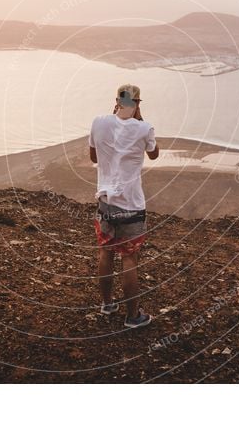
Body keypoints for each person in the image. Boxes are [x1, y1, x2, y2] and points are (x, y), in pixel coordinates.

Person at [88, 83, 159, 328]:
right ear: (137, 103)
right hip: (132, 205)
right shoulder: (144, 128)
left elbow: (94, 157)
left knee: (105, 253)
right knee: (129, 259)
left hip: (106, 203)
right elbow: (154, 154)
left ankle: (107, 304)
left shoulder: (98, 122)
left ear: (117, 100)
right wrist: (138, 118)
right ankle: (133, 316)